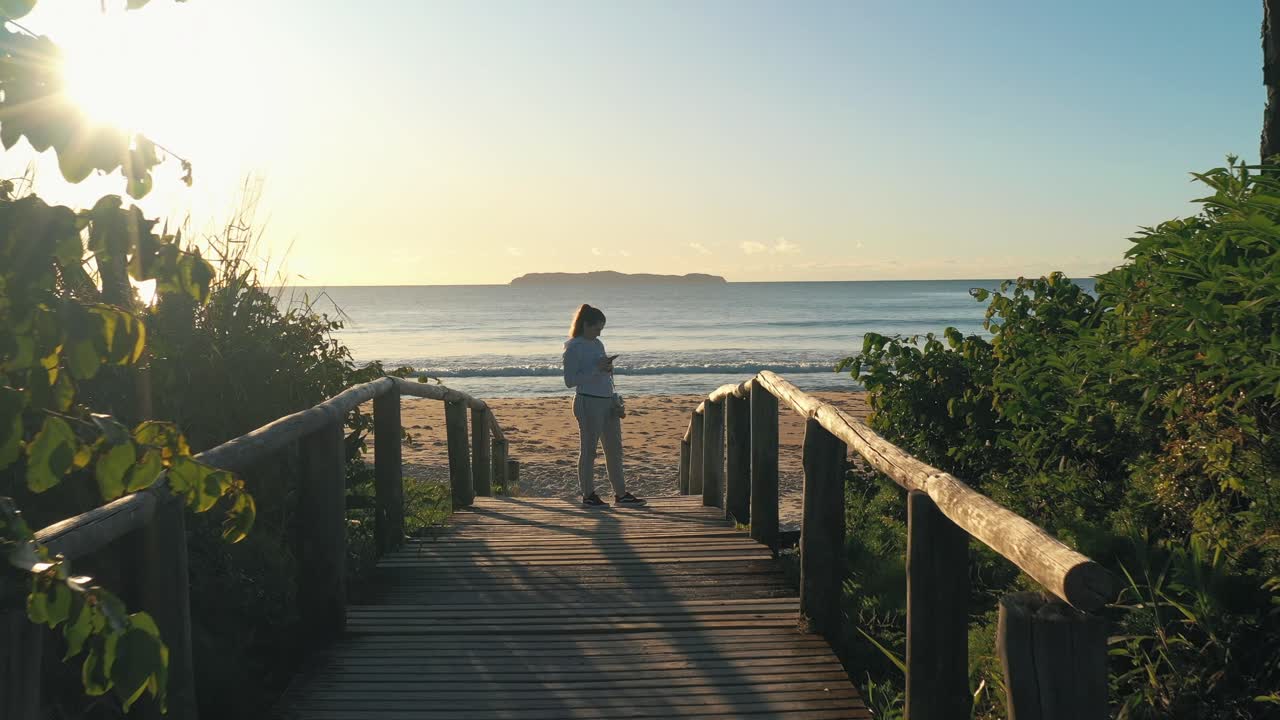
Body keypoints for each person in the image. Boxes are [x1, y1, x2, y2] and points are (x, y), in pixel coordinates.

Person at [562, 304, 644, 507]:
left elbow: (600, 372)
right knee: (589, 450)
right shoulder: (573, 347)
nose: (599, 333)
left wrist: (607, 368)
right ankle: (588, 494)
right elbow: (570, 380)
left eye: (601, 329)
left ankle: (621, 493)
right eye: (597, 328)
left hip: (607, 400)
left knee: (614, 450)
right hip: (587, 401)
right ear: (585, 325)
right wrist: (597, 369)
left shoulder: (597, 344)